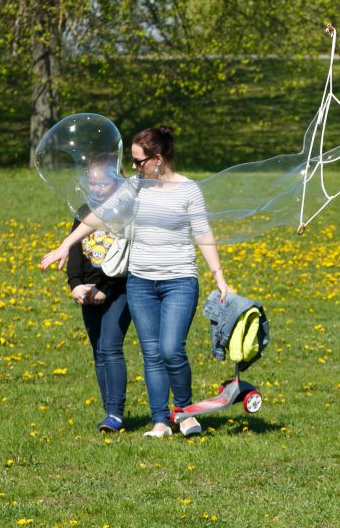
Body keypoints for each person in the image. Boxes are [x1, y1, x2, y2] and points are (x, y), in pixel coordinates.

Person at [41, 125, 231, 439]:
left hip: (179, 281)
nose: (133, 167)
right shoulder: (135, 187)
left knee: (172, 349)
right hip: (141, 282)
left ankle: (183, 411)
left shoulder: (188, 190)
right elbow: (98, 216)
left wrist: (219, 279)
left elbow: (203, 233)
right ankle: (160, 420)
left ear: (158, 159)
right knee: (152, 352)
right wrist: (65, 244)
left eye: (139, 161)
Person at [67, 157, 133, 432]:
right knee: (98, 351)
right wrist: (75, 285)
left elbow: (128, 259)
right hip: (88, 292)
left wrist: (106, 290)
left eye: (102, 183)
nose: (95, 188)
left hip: (118, 292)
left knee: (110, 347)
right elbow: (73, 251)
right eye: (91, 183)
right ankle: (109, 411)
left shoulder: (126, 213)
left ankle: (116, 414)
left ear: (117, 181)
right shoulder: (84, 211)